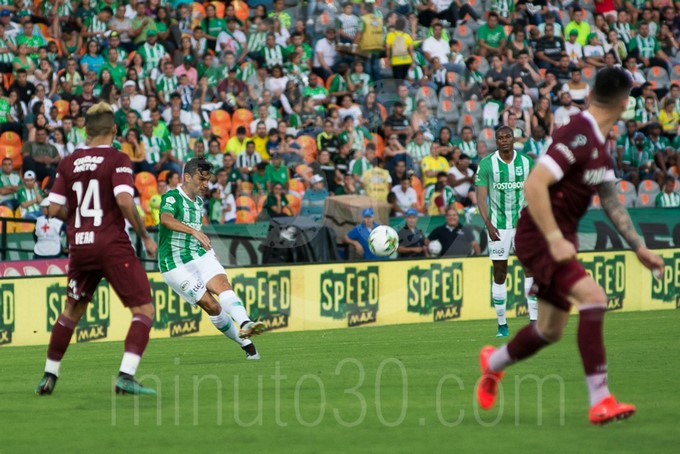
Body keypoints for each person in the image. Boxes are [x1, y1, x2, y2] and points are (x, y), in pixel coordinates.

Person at [476, 67, 664, 425]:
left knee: (549, 330)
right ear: (625, 104)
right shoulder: (578, 133)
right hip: (540, 235)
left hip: (557, 238)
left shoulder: (600, 146)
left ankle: (493, 363)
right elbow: (534, 185)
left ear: (591, 94)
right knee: (594, 297)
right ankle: (600, 400)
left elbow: (611, 200)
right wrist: (553, 238)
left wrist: (639, 247)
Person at [36, 102, 159, 396]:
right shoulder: (118, 158)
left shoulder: (68, 162)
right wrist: (144, 236)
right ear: (114, 129)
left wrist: (77, 218)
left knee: (71, 311)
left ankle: (49, 375)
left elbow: (53, 208)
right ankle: (125, 375)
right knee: (144, 310)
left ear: (86, 131)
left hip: (80, 246)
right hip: (112, 244)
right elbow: (124, 201)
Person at [159, 158, 265, 358]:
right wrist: (194, 232)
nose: (205, 184)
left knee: (223, 285)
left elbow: (195, 229)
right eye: (201, 179)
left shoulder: (199, 202)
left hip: (198, 254)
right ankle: (247, 345)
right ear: (187, 177)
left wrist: (202, 241)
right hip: (174, 264)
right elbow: (166, 219)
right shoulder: (172, 197)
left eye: (207, 180)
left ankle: (245, 323)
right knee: (212, 307)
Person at [475, 126, 536, 336]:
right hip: (498, 226)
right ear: (496, 141)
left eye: (507, 137)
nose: (504, 140)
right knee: (500, 272)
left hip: (522, 225)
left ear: (513, 139)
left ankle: (534, 321)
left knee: (530, 269)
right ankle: (502, 324)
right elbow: (481, 197)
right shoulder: (487, 164)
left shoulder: (526, 162)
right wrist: (488, 224)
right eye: (500, 138)